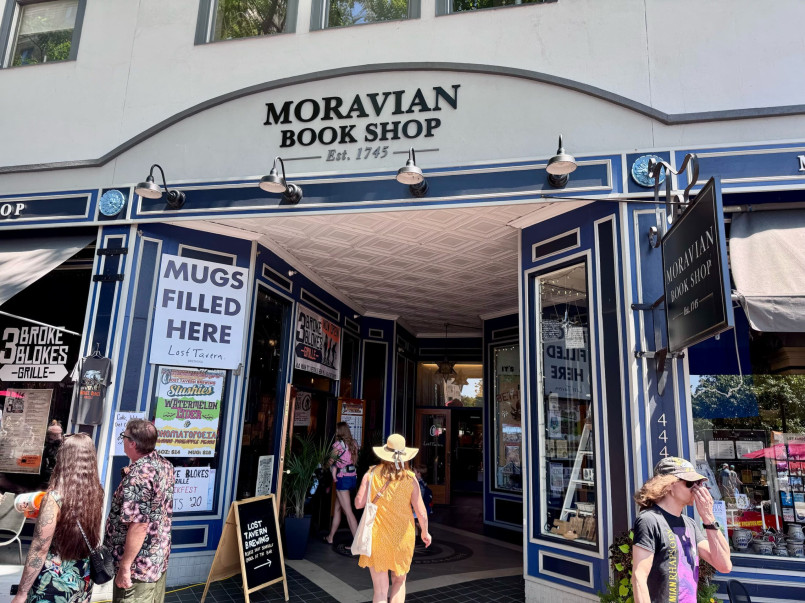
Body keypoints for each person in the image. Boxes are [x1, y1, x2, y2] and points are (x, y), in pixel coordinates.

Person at [11, 433, 104, 603]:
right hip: (81, 581)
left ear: (65, 458)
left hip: (52, 584)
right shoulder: (96, 493)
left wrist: (21, 593)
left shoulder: (55, 498)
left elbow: (40, 547)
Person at [631, 457, 732, 603]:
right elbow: (639, 577)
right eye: (690, 483)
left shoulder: (689, 524)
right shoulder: (650, 520)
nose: (697, 489)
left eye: (699, 483)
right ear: (668, 486)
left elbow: (724, 565)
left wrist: (709, 518)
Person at [355, 434, 432, 603]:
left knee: (380, 591)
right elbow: (421, 512)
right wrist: (425, 533)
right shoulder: (410, 478)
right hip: (402, 536)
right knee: (399, 581)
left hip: (377, 536)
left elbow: (358, 504)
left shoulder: (371, 473)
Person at [104, 419, 175, 603]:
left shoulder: (138, 477)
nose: (123, 441)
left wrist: (125, 568)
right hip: (157, 560)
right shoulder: (165, 465)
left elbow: (139, 525)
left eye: (124, 437)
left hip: (138, 568)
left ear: (132, 443)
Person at [324, 422, 359, 544]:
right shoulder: (354, 444)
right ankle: (331, 537)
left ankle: (357, 543)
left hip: (342, 479)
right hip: (352, 478)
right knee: (338, 508)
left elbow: (330, 461)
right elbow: (354, 460)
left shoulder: (338, 445)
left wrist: (325, 465)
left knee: (348, 513)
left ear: (339, 431)